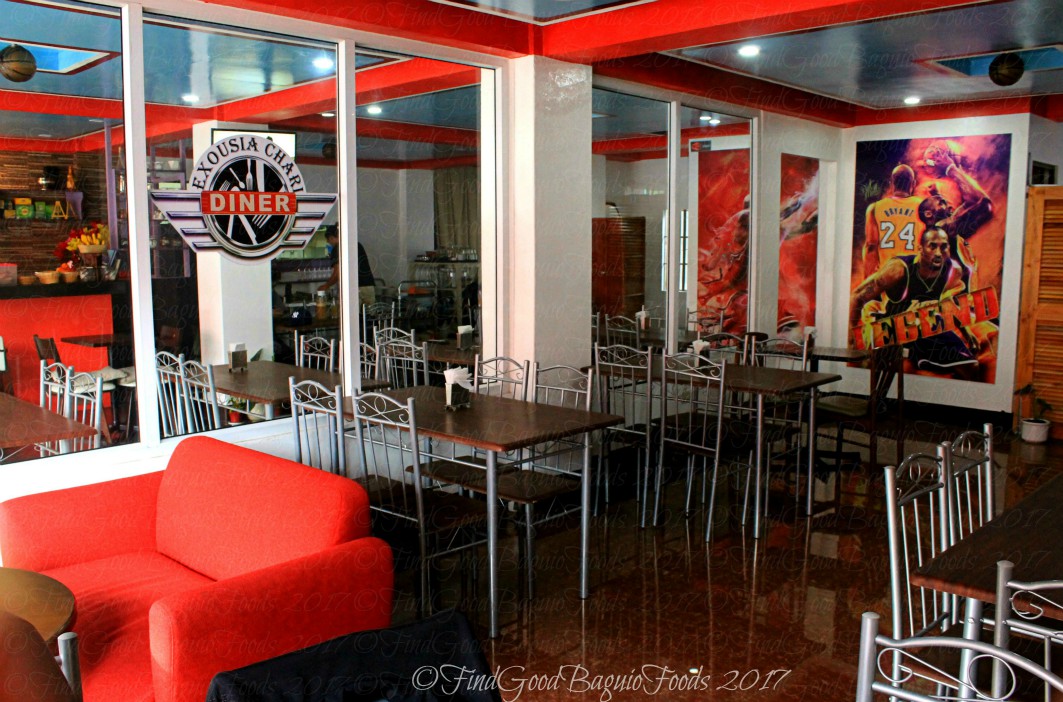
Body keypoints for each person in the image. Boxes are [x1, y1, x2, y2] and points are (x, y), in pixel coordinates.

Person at [849, 227, 978, 378]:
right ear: (920, 249)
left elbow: (948, 302)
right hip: (894, 329)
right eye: (932, 246)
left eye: (944, 247)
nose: (938, 253)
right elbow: (857, 296)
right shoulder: (898, 270)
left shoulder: (953, 269)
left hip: (926, 327)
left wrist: (966, 331)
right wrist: (851, 339)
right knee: (875, 371)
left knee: (972, 367)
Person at [861, 164, 925, 278]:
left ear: (892, 183)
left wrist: (869, 282)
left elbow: (871, 246)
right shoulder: (923, 207)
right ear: (913, 184)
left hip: (887, 276)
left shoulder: (875, 208)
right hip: (914, 278)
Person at [318, 226, 377, 306]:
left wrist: (326, 286)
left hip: (354, 288)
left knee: (352, 313)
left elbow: (338, 272)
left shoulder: (338, 248)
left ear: (331, 237)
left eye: (328, 239)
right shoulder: (356, 244)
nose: (328, 242)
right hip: (368, 285)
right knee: (368, 313)